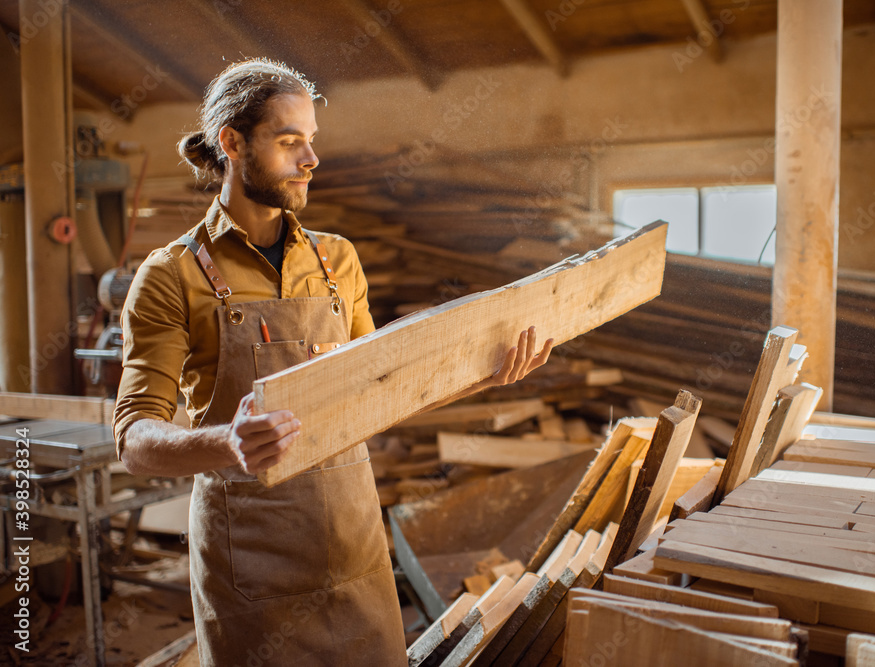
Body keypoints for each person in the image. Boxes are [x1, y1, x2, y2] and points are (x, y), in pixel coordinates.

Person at [113, 58, 553, 666]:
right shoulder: (172, 275)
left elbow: (382, 391)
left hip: (352, 549)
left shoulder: (336, 262)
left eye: (311, 141)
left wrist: (488, 371)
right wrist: (228, 444)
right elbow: (134, 439)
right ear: (233, 143)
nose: (310, 160)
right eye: (290, 141)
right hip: (252, 565)